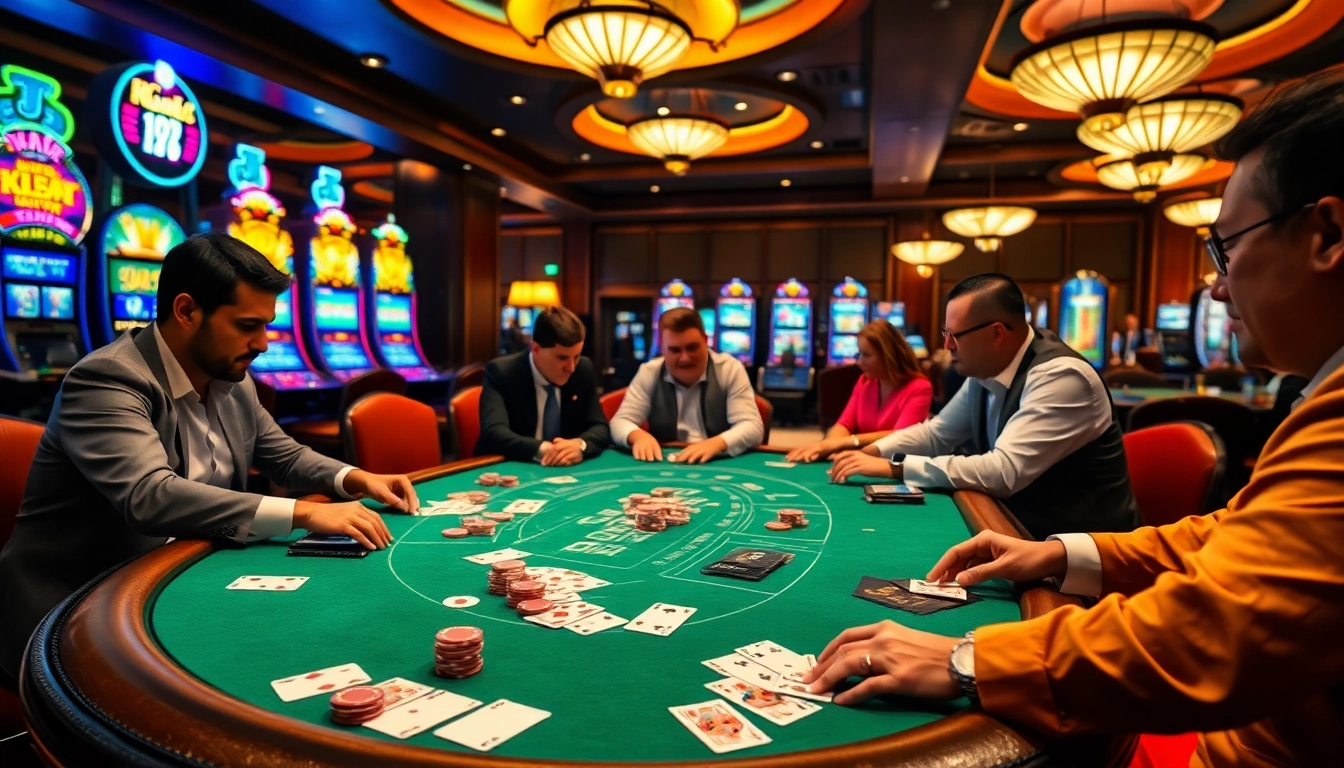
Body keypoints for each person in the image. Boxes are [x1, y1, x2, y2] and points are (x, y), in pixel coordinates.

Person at [803, 66, 1344, 768]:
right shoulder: (1324, 398)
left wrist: (973, 658)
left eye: (1226, 247)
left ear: (1327, 233)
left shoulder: (1059, 374)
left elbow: (1214, 632)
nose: (1216, 283)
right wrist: (1060, 553)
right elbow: (1236, 537)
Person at [0, 232, 417, 683]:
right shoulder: (107, 379)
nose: (263, 344)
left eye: (267, 325)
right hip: (75, 602)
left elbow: (284, 455)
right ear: (186, 311)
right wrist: (303, 514)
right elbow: (149, 495)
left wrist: (357, 477)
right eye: (246, 326)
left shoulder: (233, 379)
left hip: (180, 571)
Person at [828, 273, 1140, 540]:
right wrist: (872, 452)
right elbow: (937, 434)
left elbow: (1002, 472)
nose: (947, 346)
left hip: (1080, 559)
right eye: (945, 334)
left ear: (996, 334)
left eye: (955, 336)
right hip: (1018, 532)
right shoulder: (985, 370)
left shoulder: (1060, 376)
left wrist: (895, 467)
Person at [610, 307, 763, 464]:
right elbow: (619, 422)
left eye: (692, 348)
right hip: (665, 463)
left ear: (705, 340)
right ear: (662, 347)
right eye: (675, 350)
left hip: (717, 462)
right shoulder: (650, 371)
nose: (685, 358)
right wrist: (638, 436)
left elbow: (752, 427)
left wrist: (716, 443)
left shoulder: (729, 369)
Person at [476, 306, 610, 465]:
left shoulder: (583, 369)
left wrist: (580, 445)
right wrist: (545, 450)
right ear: (536, 348)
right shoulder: (502, 372)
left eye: (576, 356)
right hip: (509, 466)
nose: (571, 367)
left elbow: (600, 427)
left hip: (564, 473)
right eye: (562, 358)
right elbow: (494, 433)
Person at [786, 320, 932, 463]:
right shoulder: (865, 382)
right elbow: (844, 425)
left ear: (888, 355)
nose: (859, 362)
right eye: (859, 354)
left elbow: (900, 437)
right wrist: (826, 446)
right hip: (860, 461)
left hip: (895, 468)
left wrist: (846, 443)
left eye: (866, 355)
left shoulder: (920, 388)